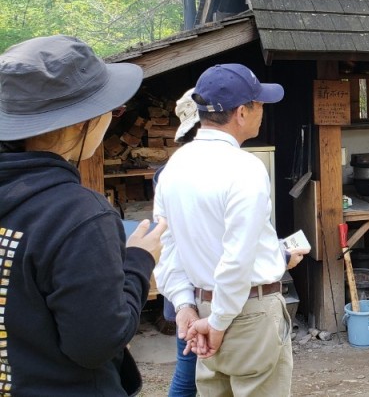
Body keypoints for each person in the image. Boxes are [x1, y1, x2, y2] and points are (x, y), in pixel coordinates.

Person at [0, 35, 166, 395]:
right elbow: (95, 344)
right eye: (112, 111)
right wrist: (139, 261)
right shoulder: (77, 214)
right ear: (80, 124)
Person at [154, 63, 295, 395]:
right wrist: (217, 323)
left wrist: (185, 306)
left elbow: (167, 246)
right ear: (242, 113)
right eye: (259, 104)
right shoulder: (245, 168)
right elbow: (237, 259)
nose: (263, 111)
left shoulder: (175, 166)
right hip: (248, 315)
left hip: (202, 308)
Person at [158, 88, 201, 397]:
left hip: (179, 284)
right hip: (196, 287)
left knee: (188, 371)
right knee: (190, 374)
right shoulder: (207, 170)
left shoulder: (167, 170)